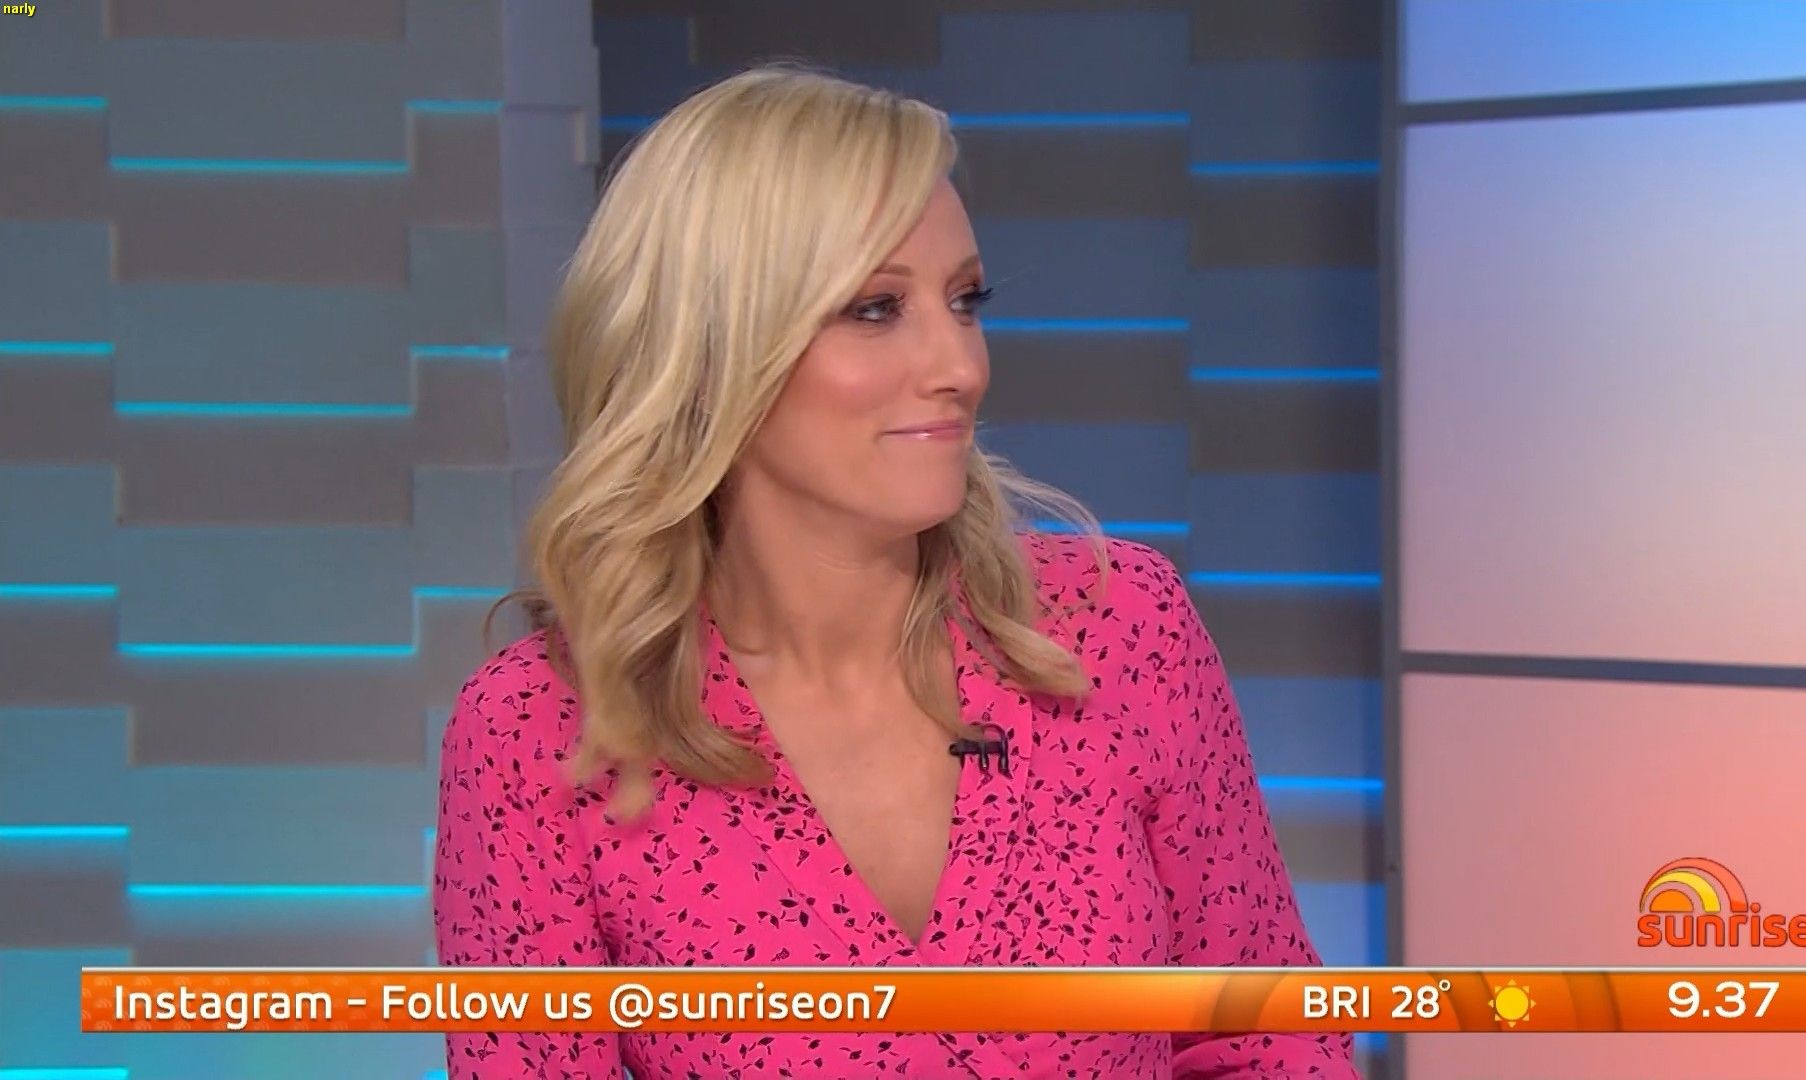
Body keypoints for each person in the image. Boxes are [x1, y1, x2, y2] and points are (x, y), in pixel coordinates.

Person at [432, 60, 1359, 1079]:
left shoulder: (1116, 626)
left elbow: (1270, 1044)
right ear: (709, 349)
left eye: (965, 300)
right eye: (876, 309)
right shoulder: (538, 734)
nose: (960, 366)